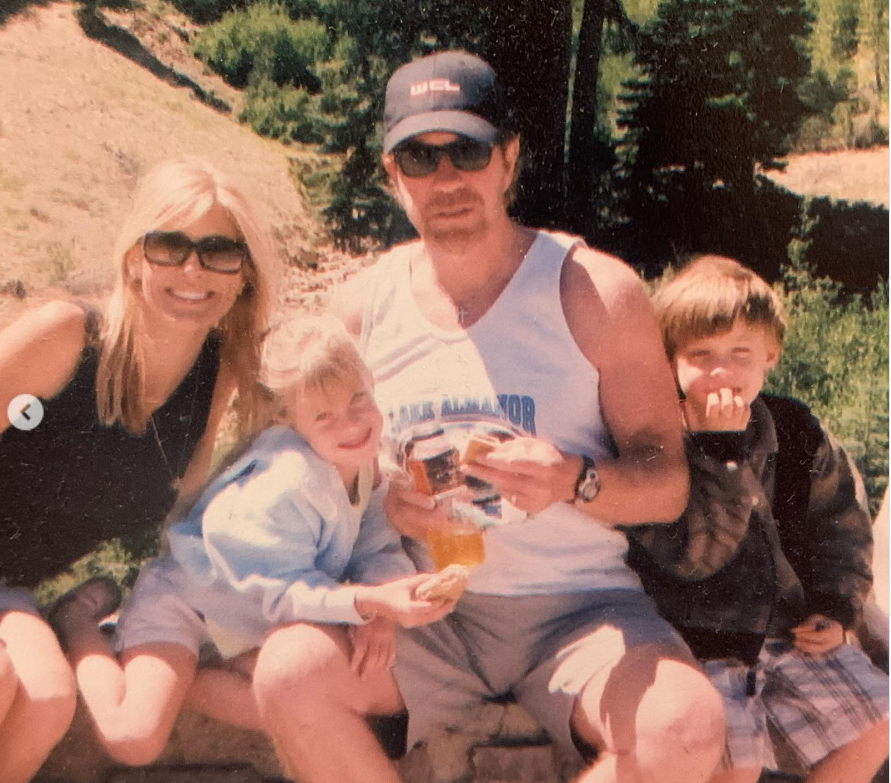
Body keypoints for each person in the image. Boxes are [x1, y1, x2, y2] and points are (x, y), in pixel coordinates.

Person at [251, 50, 726, 783]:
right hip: (422, 613)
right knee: (288, 671)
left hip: (581, 612)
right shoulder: (357, 311)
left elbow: (667, 484)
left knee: (686, 727)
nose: (446, 179)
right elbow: (313, 478)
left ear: (507, 160)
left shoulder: (593, 292)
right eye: (419, 155)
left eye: (467, 151)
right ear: (392, 175)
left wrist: (573, 479)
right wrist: (385, 507)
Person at [52, 313, 455, 767]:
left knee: (302, 703)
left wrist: (380, 612)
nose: (351, 424)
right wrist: (369, 602)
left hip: (244, 628)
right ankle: (78, 621)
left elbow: (376, 547)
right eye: (324, 415)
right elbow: (282, 595)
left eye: (359, 399)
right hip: (187, 609)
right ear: (286, 417)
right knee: (133, 736)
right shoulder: (284, 483)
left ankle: (187, 676)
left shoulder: (364, 465)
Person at [0, 157, 275, 783]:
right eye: (169, 245)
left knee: (46, 699)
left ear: (243, 276)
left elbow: (185, 511)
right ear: (133, 257)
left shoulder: (216, 372)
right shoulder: (66, 337)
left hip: (11, 584)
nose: (192, 269)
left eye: (218, 252)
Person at [626, 255, 889, 783]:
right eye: (701, 354)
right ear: (670, 360)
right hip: (696, 638)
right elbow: (692, 555)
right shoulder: (662, 439)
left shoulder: (794, 430)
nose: (721, 370)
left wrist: (834, 605)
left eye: (740, 352)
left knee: (877, 721)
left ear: (769, 356)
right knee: (736, 767)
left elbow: (841, 526)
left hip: (788, 628)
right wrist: (718, 452)